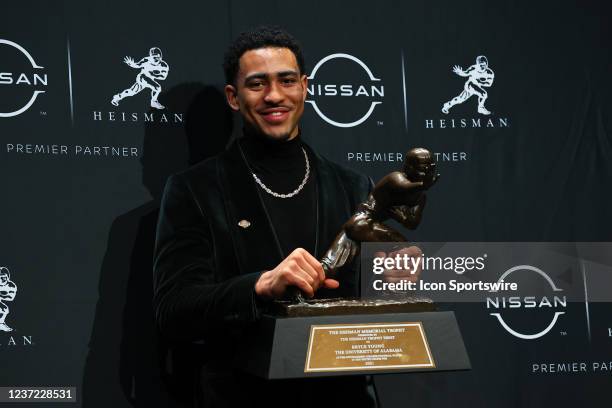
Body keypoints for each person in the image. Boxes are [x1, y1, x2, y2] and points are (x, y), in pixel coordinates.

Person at [153, 26, 377, 407]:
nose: (274, 96)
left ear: (304, 87)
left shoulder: (354, 186)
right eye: (257, 84)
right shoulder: (196, 189)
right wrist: (260, 285)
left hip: (342, 398)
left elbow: (367, 309)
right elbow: (174, 309)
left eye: (286, 80)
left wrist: (391, 281)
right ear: (234, 97)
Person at [0, 266, 17, 332]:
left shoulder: (11, 286)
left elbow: (11, 297)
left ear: (8, 277)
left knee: (4, 309)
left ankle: (0, 324)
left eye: (3, 277)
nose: (1, 280)